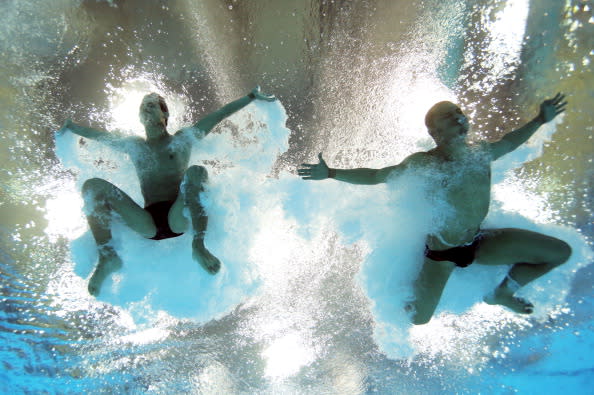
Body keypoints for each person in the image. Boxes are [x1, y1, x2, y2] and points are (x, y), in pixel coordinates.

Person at [298, 93, 572, 325]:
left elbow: (511, 141)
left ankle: (501, 294)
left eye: (459, 112)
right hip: (444, 253)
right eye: (449, 116)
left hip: (479, 241)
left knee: (559, 252)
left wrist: (539, 120)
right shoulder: (427, 163)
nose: (459, 117)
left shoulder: (481, 152)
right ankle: (379, 308)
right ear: (435, 133)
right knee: (419, 318)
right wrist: (331, 172)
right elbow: (377, 175)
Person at [59, 87, 275, 296]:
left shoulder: (182, 140)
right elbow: (100, 136)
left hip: (178, 215)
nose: (146, 108)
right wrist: (72, 127)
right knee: (92, 186)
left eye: (152, 105)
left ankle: (198, 245)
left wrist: (250, 97)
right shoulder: (134, 145)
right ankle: (107, 256)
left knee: (197, 171)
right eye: (143, 106)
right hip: (147, 222)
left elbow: (219, 114)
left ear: (165, 114)